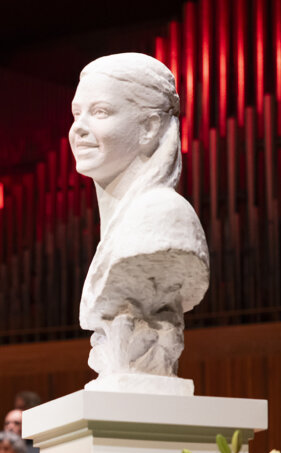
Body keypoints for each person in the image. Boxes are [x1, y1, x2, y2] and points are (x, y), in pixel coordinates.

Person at [70, 53, 209, 388]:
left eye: (100, 112)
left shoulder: (164, 217)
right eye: (76, 114)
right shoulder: (126, 224)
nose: (79, 128)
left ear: (150, 128)